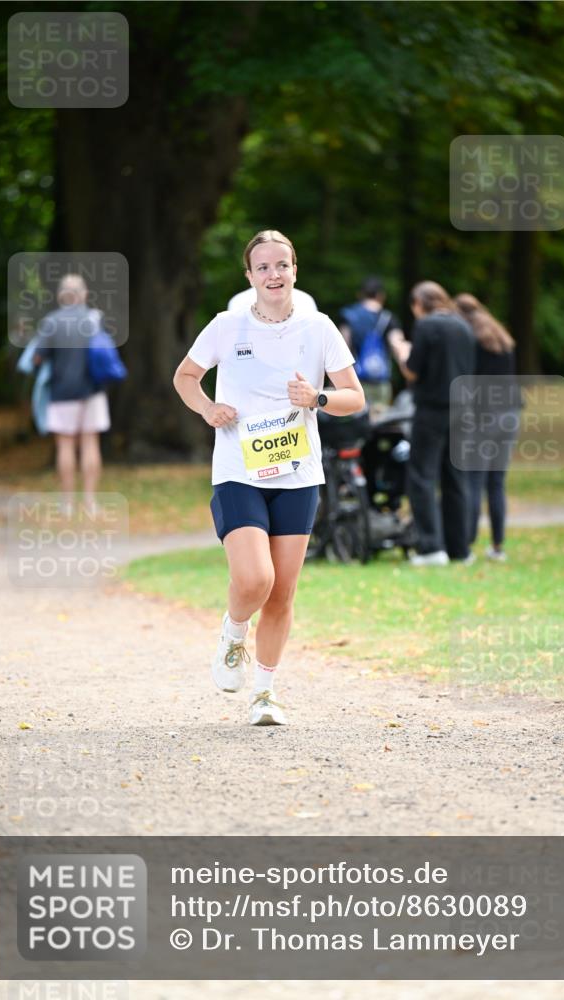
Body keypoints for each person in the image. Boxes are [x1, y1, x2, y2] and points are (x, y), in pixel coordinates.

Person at [173, 229, 364, 726]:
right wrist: (208, 408)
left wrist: (317, 399)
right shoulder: (226, 326)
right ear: (250, 276)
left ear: (295, 270)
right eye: (263, 267)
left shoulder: (319, 328)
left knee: (282, 591)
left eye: (282, 265)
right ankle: (234, 632)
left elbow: (354, 397)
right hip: (239, 468)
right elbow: (185, 377)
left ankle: (265, 693)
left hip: (299, 473)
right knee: (256, 577)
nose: (273, 274)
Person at [390, 281, 475, 566]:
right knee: (455, 479)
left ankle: (431, 547)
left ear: (419, 304)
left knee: (422, 477)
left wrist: (401, 351)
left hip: (432, 409)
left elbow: (412, 372)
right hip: (463, 409)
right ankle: (459, 548)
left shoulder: (426, 326)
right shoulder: (463, 325)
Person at [33, 275, 110, 517]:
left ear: (61, 296)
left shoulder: (52, 322)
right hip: (93, 392)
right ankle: (90, 503)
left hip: (61, 392)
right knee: (90, 444)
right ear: (84, 295)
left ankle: (67, 504)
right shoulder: (93, 320)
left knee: (65, 446)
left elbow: (37, 357)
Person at [455, 293, 520, 562]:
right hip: (511, 413)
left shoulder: (471, 339)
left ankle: (467, 545)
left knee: (473, 480)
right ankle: (497, 546)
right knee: (496, 483)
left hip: (484, 417)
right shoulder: (501, 337)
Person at [339, 277, 404, 410]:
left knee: (357, 419)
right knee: (380, 424)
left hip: (355, 381)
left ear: (360, 294)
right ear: (381, 296)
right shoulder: (388, 318)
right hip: (381, 381)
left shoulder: (350, 316)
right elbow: (398, 346)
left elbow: (342, 347)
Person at [227, 286, 317, 314]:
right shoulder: (239, 301)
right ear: (249, 274)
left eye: (282, 265)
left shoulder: (304, 300)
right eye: (264, 267)